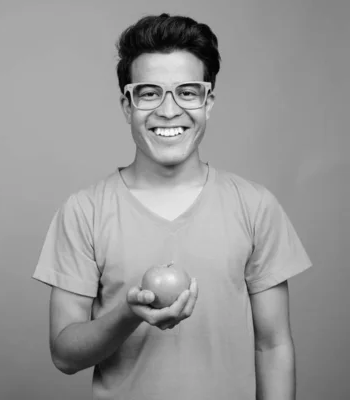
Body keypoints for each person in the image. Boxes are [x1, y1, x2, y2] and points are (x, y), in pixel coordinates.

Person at [31, 12, 312, 400]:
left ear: (208, 102)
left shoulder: (255, 206)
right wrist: (129, 315)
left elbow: (274, 345)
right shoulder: (84, 211)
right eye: (149, 93)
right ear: (127, 105)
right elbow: (65, 355)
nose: (168, 110)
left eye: (187, 92)